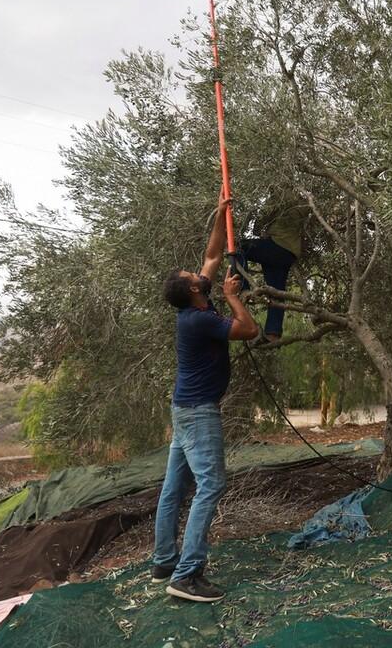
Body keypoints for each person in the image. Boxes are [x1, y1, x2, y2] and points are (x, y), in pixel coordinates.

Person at [152, 192, 259, 603]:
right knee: (211, 485)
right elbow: (248, 331)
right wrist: (234, 297)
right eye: (192, 275)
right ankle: (186, 575)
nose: (198, 272)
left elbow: (213, 254)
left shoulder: (194, 304)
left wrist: (221, 212)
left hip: (184, 410)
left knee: (173, 488)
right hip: (198, 413)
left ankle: (164, 560)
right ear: (193, 290)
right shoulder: (199, 320)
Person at [239, 193, 309, 344]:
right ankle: (273, 333)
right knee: (276, 291)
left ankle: (243, 288)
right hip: (289, 254)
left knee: (239, 248)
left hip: (277, 246)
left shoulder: (278, 196)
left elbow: (258, 226)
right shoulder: (303, 202)